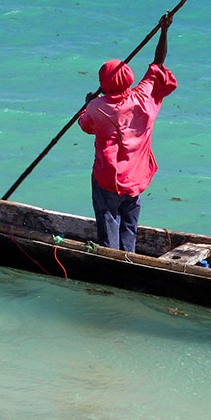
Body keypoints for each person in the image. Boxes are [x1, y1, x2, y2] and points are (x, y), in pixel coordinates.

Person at [78, 13, 177, 252]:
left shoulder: (97, 107)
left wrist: (88, 102)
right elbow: (157, 65)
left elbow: (85, 124)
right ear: (129, 79)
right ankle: (128, 258)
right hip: (135, 177)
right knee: (129, 226)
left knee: (108, 220)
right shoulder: (142, 96)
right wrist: (163, 31)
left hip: (108, 178)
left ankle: (109, 259)